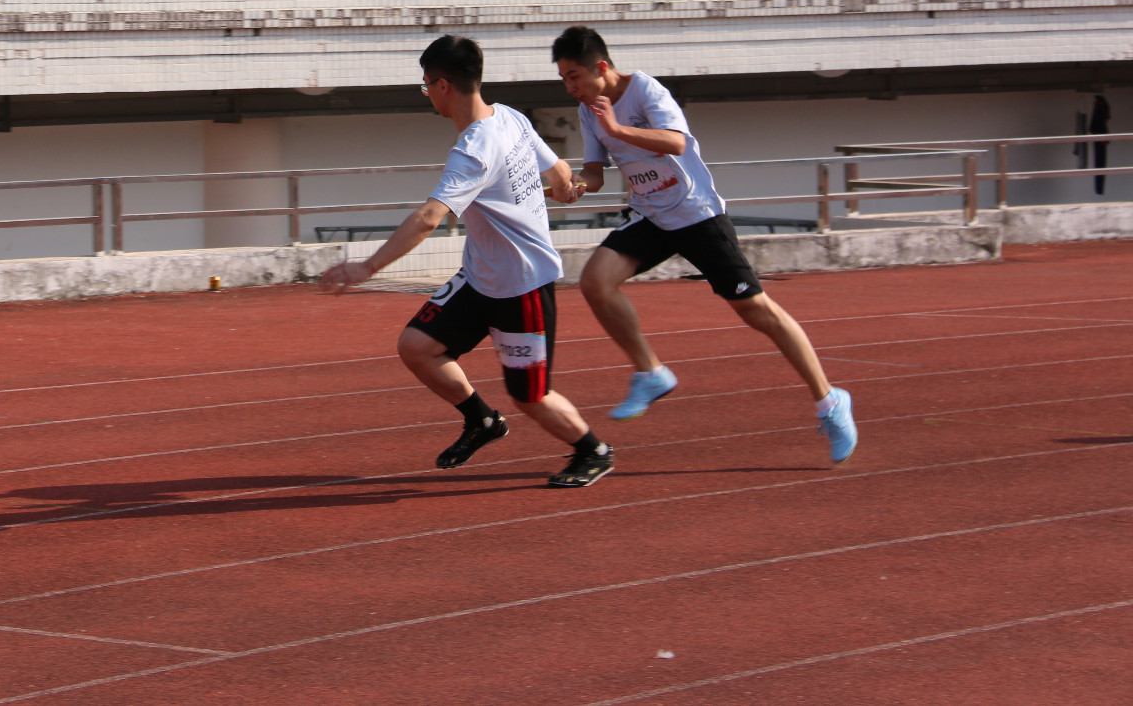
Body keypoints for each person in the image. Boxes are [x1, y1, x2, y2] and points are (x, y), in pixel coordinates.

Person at [547, 25, 858, 464]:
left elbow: (676, 141)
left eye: (574, 76)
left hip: (697, 214)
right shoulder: (587, 111)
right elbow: (595, 174)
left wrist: (616, 126)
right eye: (564, 79)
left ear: (601, 67)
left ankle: (830, 400)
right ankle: (651, 373)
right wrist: (572, 187)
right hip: (651, 216)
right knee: (596, 280)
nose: (570, 87)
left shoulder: (645, 91)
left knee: (757, 311)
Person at [320, 35, 615, 488]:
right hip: (481, 277)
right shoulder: (510, 117)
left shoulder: (474, 149)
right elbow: (559, 173)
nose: (427, 95)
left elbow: (429, 218)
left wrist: (367, 267)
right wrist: (564, 187)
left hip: (522, 284)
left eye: (425, 86)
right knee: (417, 346)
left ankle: (593, 451)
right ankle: (482, 420)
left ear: (442, 86)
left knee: (531, 396)